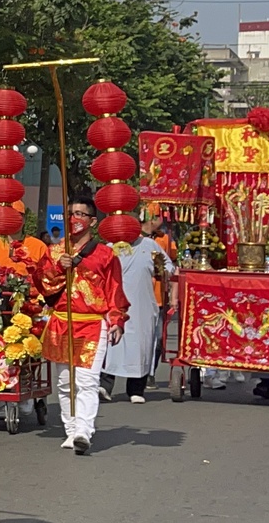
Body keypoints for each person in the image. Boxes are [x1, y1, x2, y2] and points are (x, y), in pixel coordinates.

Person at [35, 194, 127, 454]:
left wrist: (116, 320)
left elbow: (115, 290)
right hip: (61, 322)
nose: (73, 219)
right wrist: (55, 267)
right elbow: (42, 284)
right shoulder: (54, 251)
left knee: (86, 380)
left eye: (80, 214)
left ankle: (84, 431)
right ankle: (71, 429)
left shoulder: (106, 255)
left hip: (91, 324)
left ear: (92, 221)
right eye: (70, 214)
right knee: (65, 382)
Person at [102, 221, 173, 403]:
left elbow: (168, 268)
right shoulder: (109, 248)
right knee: (112, 344)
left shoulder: (149, 245)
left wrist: (160, 270)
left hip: (142, 305)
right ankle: (105, 385)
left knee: (141, 345)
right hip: (115, 303)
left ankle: (136, 389)